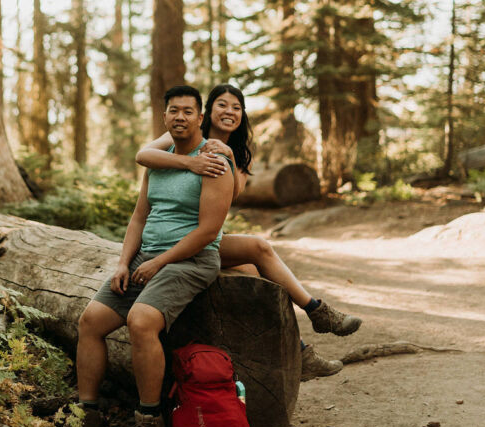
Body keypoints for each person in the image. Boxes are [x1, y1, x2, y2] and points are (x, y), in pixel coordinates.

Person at [136, 83, 362, 382]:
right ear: (206, 112)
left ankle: (302, 352)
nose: (229, 111)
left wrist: (229, 156)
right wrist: (192, 162)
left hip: (207, 234)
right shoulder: (183, 134)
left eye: (236, 107)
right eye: (222, 105)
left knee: (256, 278)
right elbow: (143, 154)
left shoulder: (240, 153)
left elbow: (231, 196)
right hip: (179, 236)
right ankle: (317, 311)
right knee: (259, 248)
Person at [76, 85, 233, 427]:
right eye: (173, 111)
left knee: (141, 320)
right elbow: (139, 217)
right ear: (164, 118)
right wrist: (122, 262)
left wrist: (159, 262)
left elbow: (208, 232)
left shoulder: (214, 163)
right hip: (145, 257)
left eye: (188, 111)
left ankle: (150, 424)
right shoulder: (159, 162)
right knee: (90, 320)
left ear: (201, 117)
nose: (180, 117)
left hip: (190, 261)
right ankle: (87, 415)